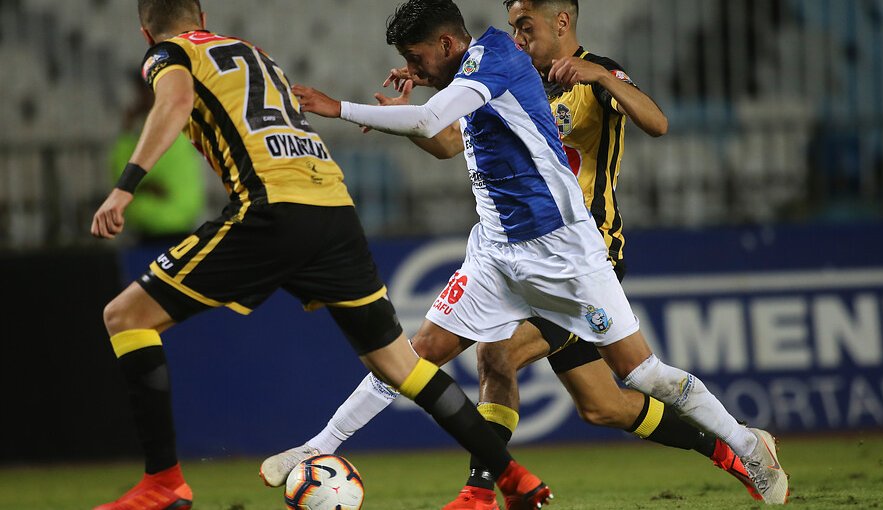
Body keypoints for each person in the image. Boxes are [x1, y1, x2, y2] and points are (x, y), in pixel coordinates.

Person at [263, 0, 765, 507]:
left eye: (417, 59)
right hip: (496, 253)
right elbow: (439, 137)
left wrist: (338, 107)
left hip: (565, 252)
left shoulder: (502, 58)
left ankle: (742, 445)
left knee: (637, 376)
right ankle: (317, 449)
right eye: (514, 25)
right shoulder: (479, 75)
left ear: (445, 45)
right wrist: (405, 111)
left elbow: (431, 118)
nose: (518, 35)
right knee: (421, 355)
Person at [89, 1, 551, 509]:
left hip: (271, 209)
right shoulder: (253, 53)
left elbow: (174, 105)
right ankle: (512, 476)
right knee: (402, 364)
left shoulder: (169, 55)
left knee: (125, 316)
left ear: (145, 32)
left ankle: (163, 482)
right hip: (333, 207)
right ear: (200, 19)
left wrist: (125, 188)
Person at [108, 72, 205, 245]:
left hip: (169, 227)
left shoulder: (175, 129)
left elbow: (126, 177)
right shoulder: (147, 133)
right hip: (152, 229)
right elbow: (122, 177)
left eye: (145, 91)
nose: (140, 98)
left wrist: (140, 186)